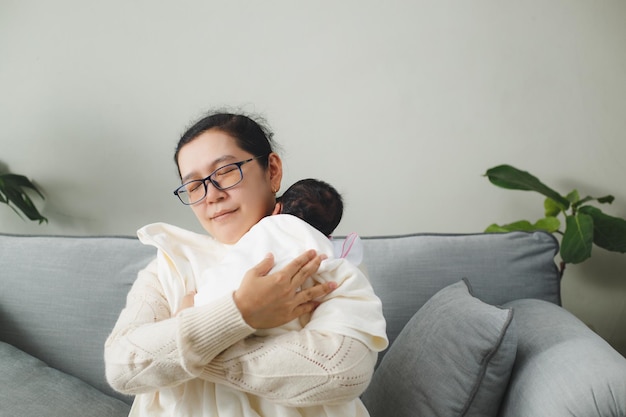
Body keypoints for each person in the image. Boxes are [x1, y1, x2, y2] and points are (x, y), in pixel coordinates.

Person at [104, 111, 388, 417]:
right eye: (194, 186)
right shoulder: (169, 266)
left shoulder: (322, 260)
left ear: (273, 171)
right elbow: (123, 365)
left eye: (225, 171)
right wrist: (241, 311)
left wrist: (185, 347)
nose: (211, 195)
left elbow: (341, 372)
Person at [191, 178, 382, 340]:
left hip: (214, 310)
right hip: (283, 326)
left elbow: (242, 256)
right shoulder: (322, 247)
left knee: (224, 276)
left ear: (277, 208)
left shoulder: (266, 227)